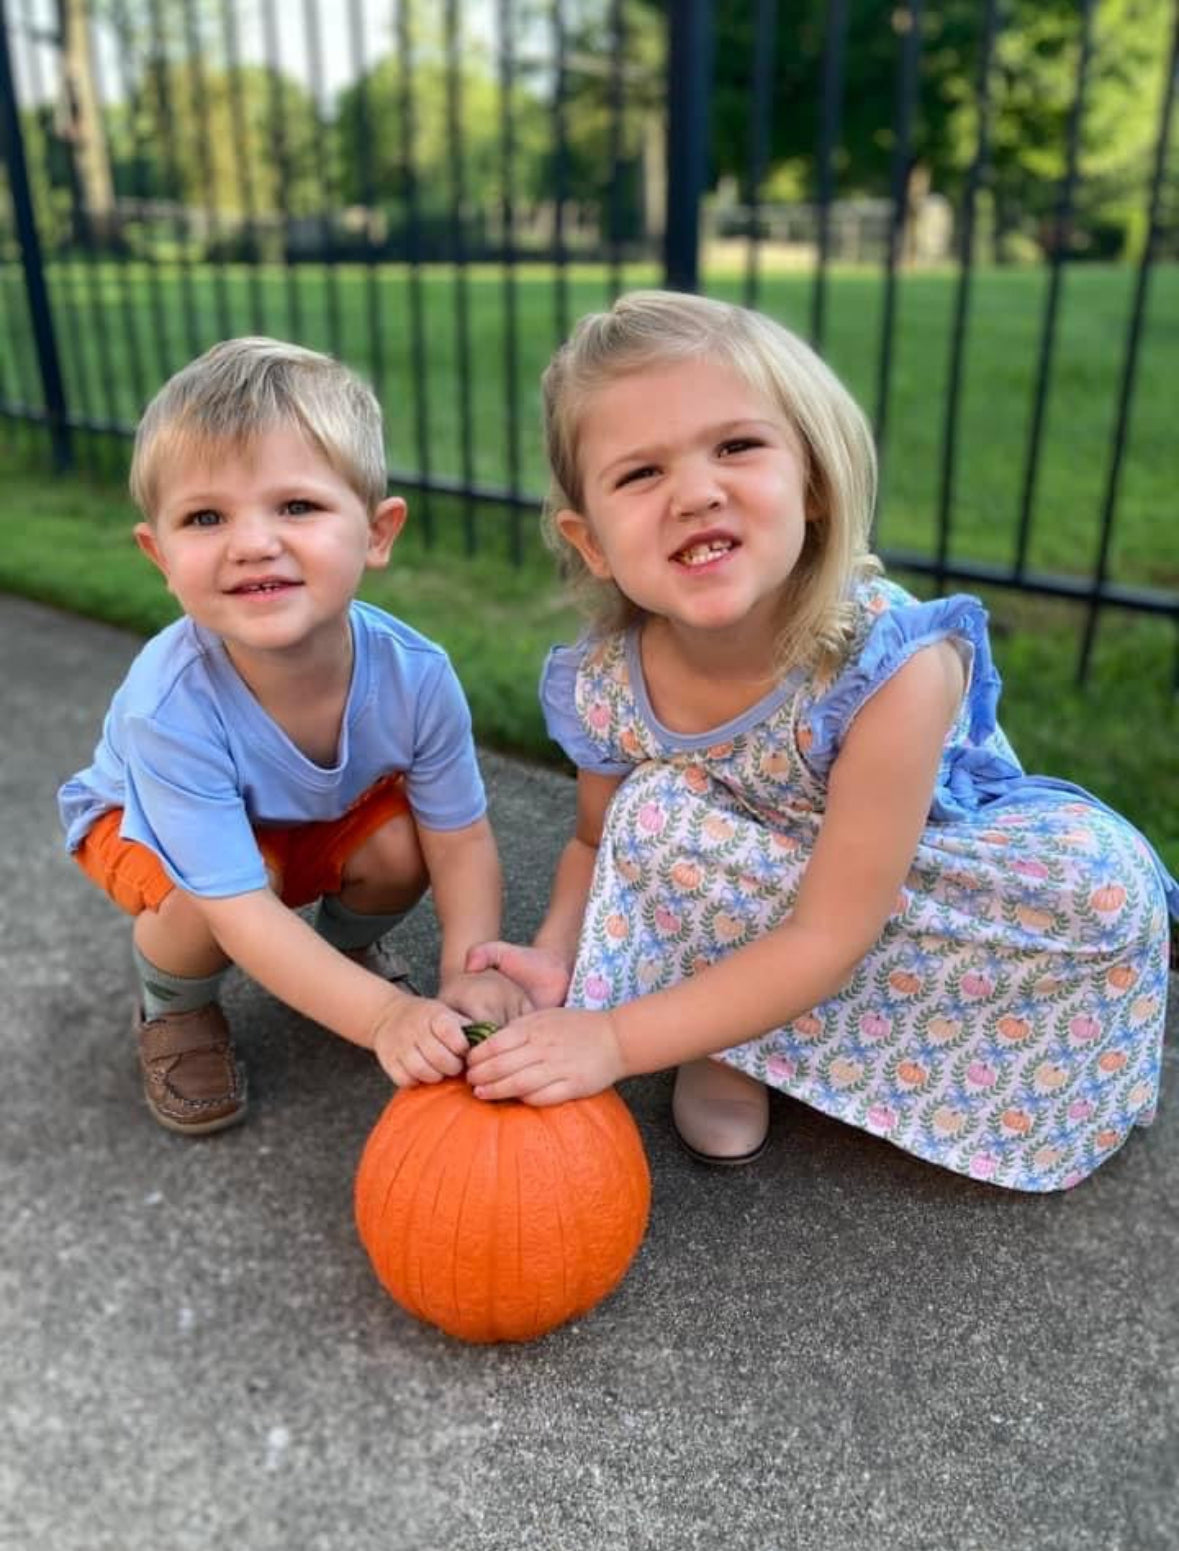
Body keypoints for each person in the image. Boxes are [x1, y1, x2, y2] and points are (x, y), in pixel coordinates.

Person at [464, 289, 1177, 1192]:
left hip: (920, 882)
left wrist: (613, 1036)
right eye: (638, 475)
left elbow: (835, 926)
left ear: (809, 478)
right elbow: (595, 842)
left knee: (1099, 891)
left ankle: (750, 1029)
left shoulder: (890, 667)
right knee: (651, 817)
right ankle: (727, 1037)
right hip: (770, 885)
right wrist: (558, 959)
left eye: (735, 446)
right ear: (591, 540)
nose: (693, 491)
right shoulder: (607, 681)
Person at [59, 338, 525, 1135]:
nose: (251, 543)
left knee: (403, 847)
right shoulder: (168, 705)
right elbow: (239, 905)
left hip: (298, 817)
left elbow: (460, 835)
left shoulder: (416, 675)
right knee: (224, 899)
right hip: (141, 828)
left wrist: (468, 969)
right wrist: (384, 1019)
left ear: (377, 533)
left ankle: (338, 960)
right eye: (205, 517)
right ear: (159, 554)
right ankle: (173, 1009)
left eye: (296, 506)